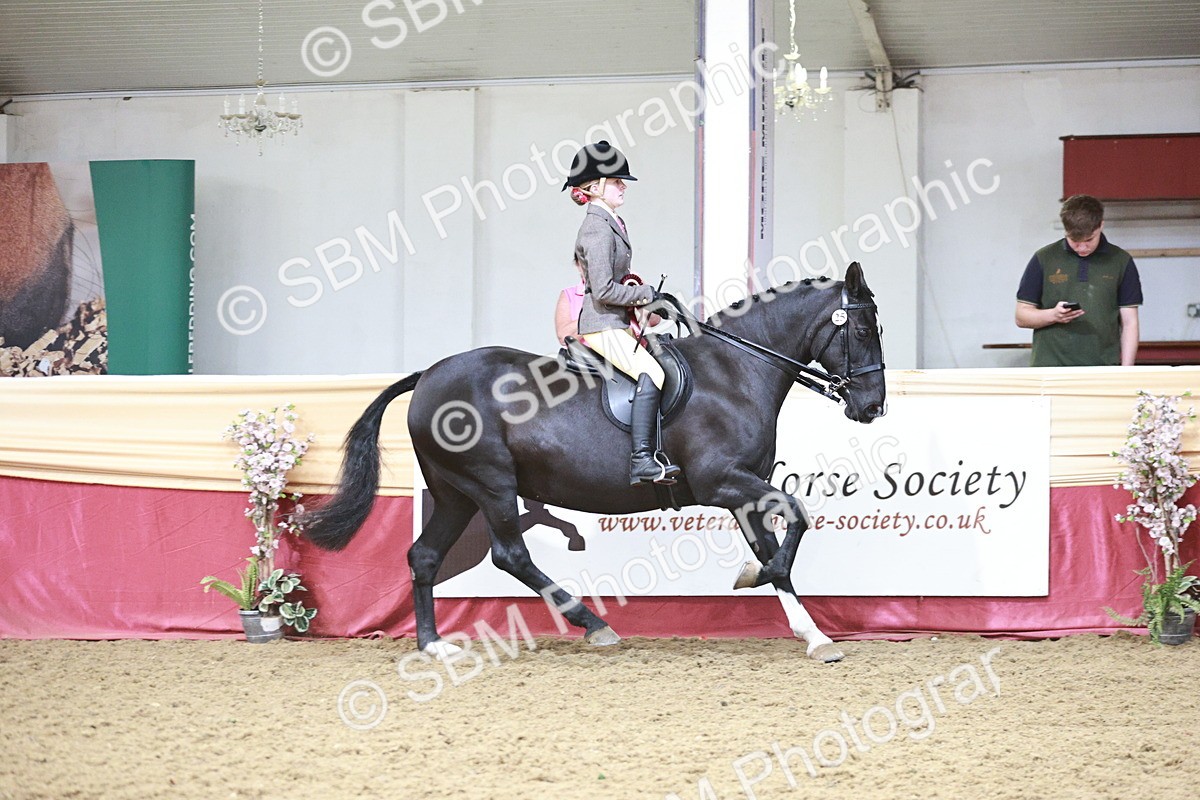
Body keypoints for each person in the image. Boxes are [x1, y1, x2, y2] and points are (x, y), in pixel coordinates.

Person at [562, 140, 680, 486]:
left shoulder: (613, 222)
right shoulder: (597, 228)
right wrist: (645, 293)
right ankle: (641, 460)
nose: (623, 186)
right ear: (596, 187)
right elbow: (602, 290)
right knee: (651, 372)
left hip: (615, 323)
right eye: (616, 181)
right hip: (601, 325)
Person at [1015, 194, 1142, 366]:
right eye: (1074, 240)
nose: (1082, 248)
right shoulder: (1043, 258)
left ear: (1101, 225)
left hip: (1102, 367)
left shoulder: (1121, 261)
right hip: (1049, 367)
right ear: (1065, 230)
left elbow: (1130, 323)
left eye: (1089, 240)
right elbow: (1021, 316)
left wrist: (1126, 371)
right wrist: (1053, 315)